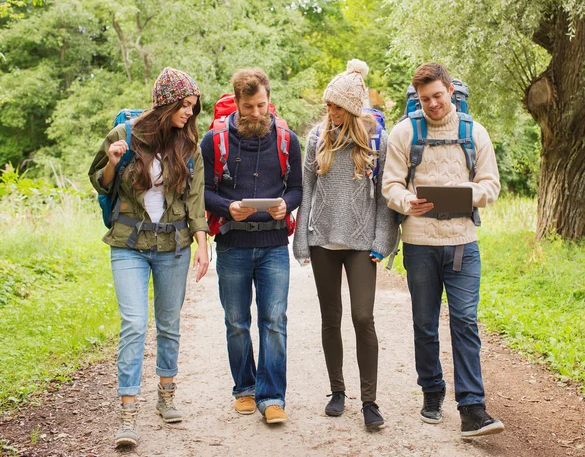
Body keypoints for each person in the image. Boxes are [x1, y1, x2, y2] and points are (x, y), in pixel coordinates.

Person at [89, 67, 210, 447]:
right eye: (185, 105)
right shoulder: (123, 135)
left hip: (173, 246)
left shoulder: (189, 144)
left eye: (192, 107)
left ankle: (166, 392)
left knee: (169, 323)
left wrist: (203, 244)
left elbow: (195, 198)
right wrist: (112, 160)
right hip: (129, 245)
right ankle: (127, 413)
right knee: (135, 324)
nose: (189, 113)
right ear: (166, 102)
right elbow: (100, 183)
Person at [382, 62, 504, 437]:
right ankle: (432, 392)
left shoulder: (474, 132)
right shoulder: (403, 133)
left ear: (451, 91)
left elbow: (491, 185)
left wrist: (465, 192)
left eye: (438, 96)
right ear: (417, 100)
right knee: (425, 323)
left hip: (463, 243)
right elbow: (390, 186)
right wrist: (407, 202)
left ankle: (472, 408)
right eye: (425, 99)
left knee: (465, 322)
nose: (432, 104)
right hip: (420, 244)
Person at [293, 59, 397, 430]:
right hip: (322, 239)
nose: (330, 111)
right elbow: (306, 189)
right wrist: (301, 239)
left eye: (336, 106)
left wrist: (384, 239)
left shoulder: (375, 140)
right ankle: (337, 391)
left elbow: (385, 197)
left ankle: (369, 400)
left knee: (363, 317)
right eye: (328, 105)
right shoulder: (316, 138)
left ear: (352, 108)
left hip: (360, 242)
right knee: (330, 317)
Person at [200, 67, 302, 424]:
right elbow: (203, 192)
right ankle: (244, 389)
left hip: (274, 244)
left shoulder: (288, 139)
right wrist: (226, 207)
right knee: (236, 322)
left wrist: (285, 205)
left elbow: (297, 189)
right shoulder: (214, 142)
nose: (257, 113)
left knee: (274, 321)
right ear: (237, 104)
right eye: (249, 107)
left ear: (269, 100)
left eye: (262, 105)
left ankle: (272, 397)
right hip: (232, 245)